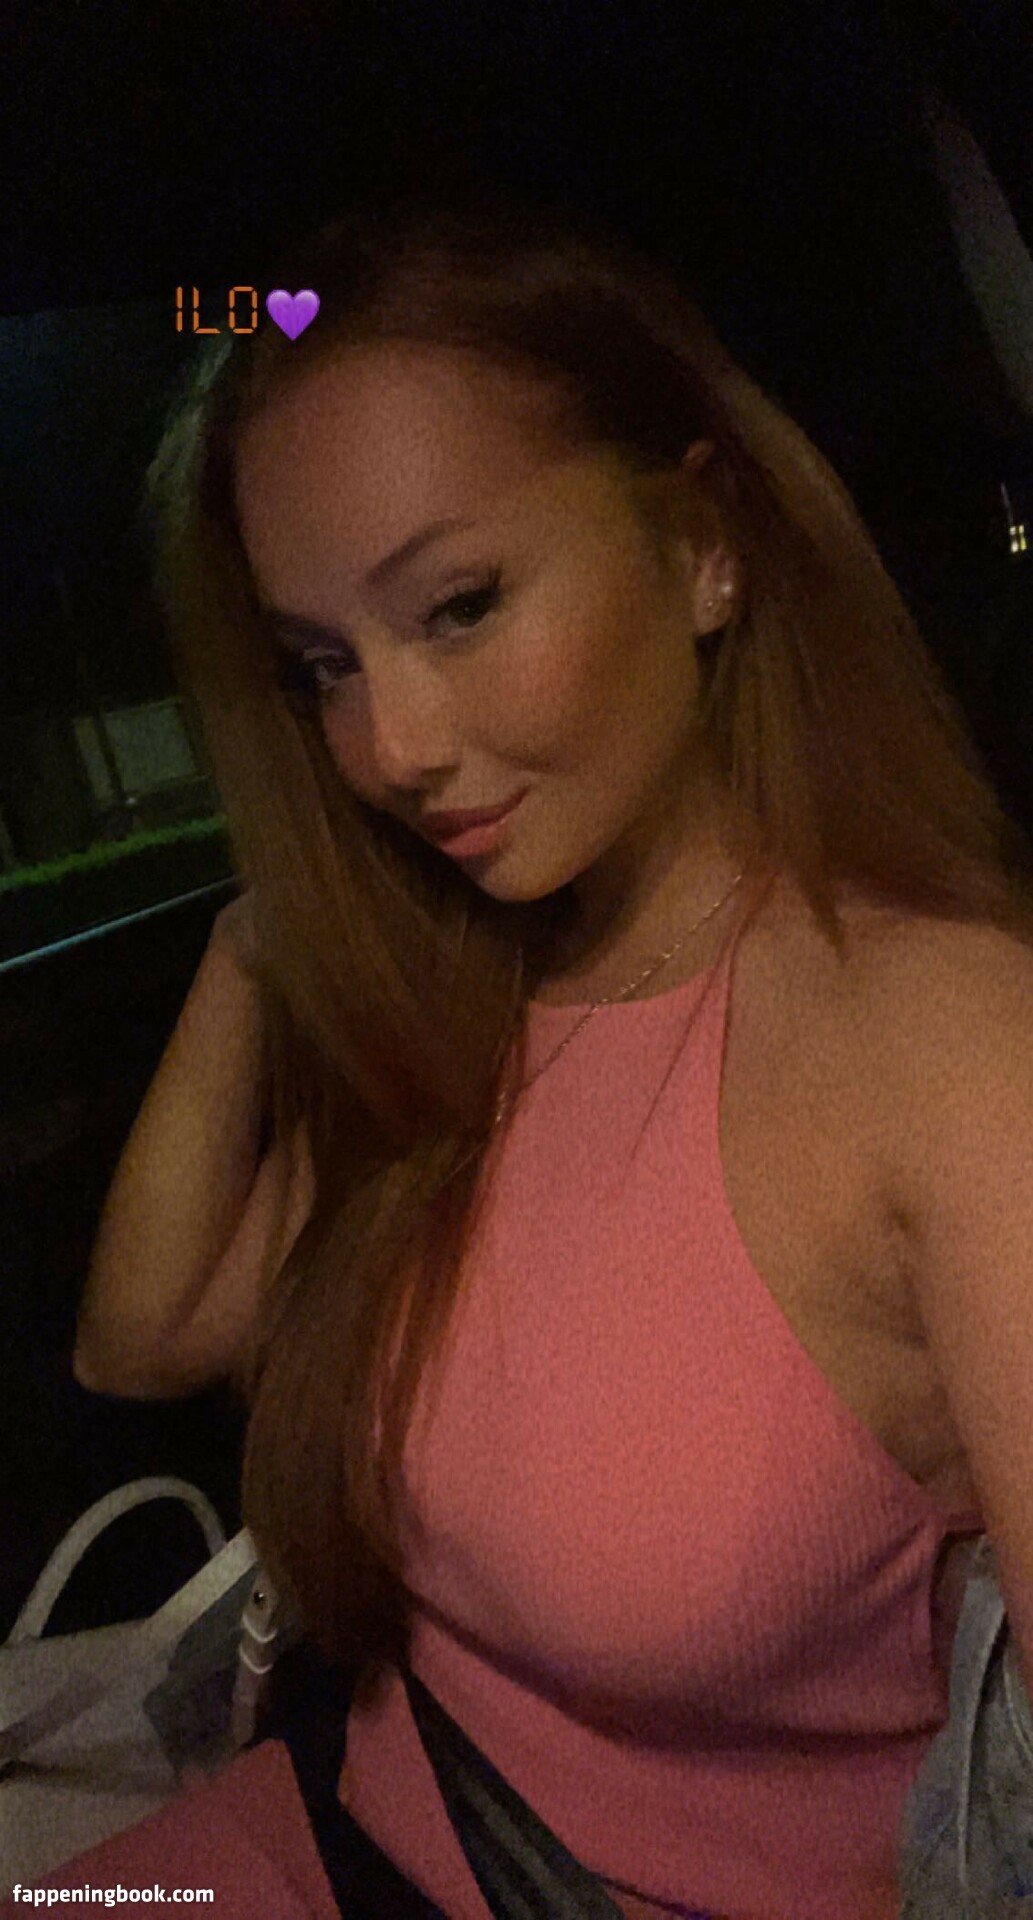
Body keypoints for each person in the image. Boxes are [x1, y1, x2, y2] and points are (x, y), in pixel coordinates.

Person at [22, 184, 1033, 1919]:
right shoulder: (466, 1003)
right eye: (319, 667)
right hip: (341, 1821)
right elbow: (138, 1339)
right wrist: (257, 938)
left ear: (701, 546)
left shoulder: (942, 1041)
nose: (387, 749)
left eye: (460, 605)